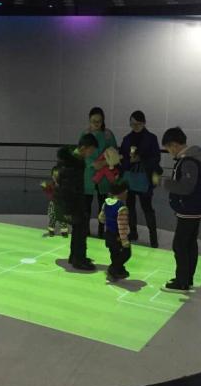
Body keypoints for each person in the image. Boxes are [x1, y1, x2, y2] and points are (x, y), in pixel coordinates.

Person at [160, 127, 201, 292]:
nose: (169, 152)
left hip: (189, 210)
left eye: (168, 148)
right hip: (195, 209)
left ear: (174, 145)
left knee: (180, 245)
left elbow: (186, 187)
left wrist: (163, 183)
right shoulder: (193, 159)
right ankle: (187, 278)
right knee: (189, 244)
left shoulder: (188, 162)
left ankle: (182, 281)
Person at [54, 133, 98, 271]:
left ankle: (75, 256)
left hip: (70, 200)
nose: (91, 154)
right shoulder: (74, 163)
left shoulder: (72, 159)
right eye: (91, 150)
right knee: (81, 229)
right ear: (84, 148)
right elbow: (69, 186)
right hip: (71, 201)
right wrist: (71, 207)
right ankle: (79, 259)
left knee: (80, 228)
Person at [119, 110, 163, 248]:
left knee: (147, 208)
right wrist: (129, 161)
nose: (135, 126)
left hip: (145, 178)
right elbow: (121, 158)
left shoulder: (151, 138)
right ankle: (133, 232)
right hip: (130, 177)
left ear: (144, 123)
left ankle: (153, 238)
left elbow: (156, 158)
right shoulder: (127, 139)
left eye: (138, 124)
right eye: (132, 124)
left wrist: (140, 159)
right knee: (130, 206)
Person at [80, 107, 118, 239]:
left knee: (103, 205)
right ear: (89, 120)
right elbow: (81, 153)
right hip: (89, 175)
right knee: (86, 205)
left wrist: (104, 162)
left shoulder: (108, 135)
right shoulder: (85, 134)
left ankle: (102, 232)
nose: (96, 124)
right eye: (93, 121)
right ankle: (85, 230)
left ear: (103, 121)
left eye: (99, 121)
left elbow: (114, 152)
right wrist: (92, 163)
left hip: (104, 175)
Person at [98, 180, 131, 281]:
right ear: (123, 193)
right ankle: (113, 269)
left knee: (114, 253)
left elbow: (101, 218)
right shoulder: (122, 208)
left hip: (109, 234)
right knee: (126, 253)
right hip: (118, 236)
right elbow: (122, 226)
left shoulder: (106, 203)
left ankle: (119, 270)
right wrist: (124, 240)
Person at [40, 166, 68, 237]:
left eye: (57, 175)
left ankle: (64, 232)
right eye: (53, 175)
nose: (54, 177)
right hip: (53, 204)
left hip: (61, 205)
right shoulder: (52, 184)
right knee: (52, 218)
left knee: (62, 219)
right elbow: (49, 190)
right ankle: (51, 231)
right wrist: (45, 187)